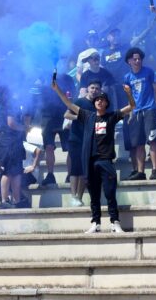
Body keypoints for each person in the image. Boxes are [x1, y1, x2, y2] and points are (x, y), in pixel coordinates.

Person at [53, 74, 136, 234]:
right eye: (97, 99)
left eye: (102, 99)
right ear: (95, 102)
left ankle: (114, 222)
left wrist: (128, 94)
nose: (99, 101)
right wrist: (57, 89)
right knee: (94, 195)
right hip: (90, 161)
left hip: (105, 161)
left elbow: (131, 106)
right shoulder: (87, 116)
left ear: (106, 103)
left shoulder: (112, 116)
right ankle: (96, 222)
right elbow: (68, 103)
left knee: (110, 193)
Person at [122, 47, 156, 181]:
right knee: (138, 143)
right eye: (134, 59)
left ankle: (155, 170)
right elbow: (129, 97)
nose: (137, 61)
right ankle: (140, 171)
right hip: (136, 112)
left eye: (139, 58)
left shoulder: (149, 72)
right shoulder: (127, 77)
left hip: (149, 109)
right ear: (129, 61)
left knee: (152, 140)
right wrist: (129, 113)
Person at [58, 80, 102, 206]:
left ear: (100, 91)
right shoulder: (79, 102)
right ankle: (73, 196)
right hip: (76, 140)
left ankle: (79, 197)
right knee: (75, 170)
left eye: (97, 88)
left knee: (85, 170)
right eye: (92, 87)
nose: (94, 90)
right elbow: (66, 115)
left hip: (90, 141)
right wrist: (80, 117)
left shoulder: (99, 105)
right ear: (87, 88)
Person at [35, 70, 75, 188]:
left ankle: (70, 174)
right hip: (47, 115)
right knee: (48, 146)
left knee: (69, 146)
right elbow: (36, 94)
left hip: (64, 114)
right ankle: (50, 175)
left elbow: (72, 96)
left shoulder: (68, 78)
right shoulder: (43, 77)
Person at [0, 85, 30, 208]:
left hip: (14, 143)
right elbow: (11, 123)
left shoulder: (12, 105)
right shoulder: (10, 105)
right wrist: (24, 128)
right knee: (8, 172)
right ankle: (4, 201)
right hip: (8, 143)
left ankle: (17, 200)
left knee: (17, 172)